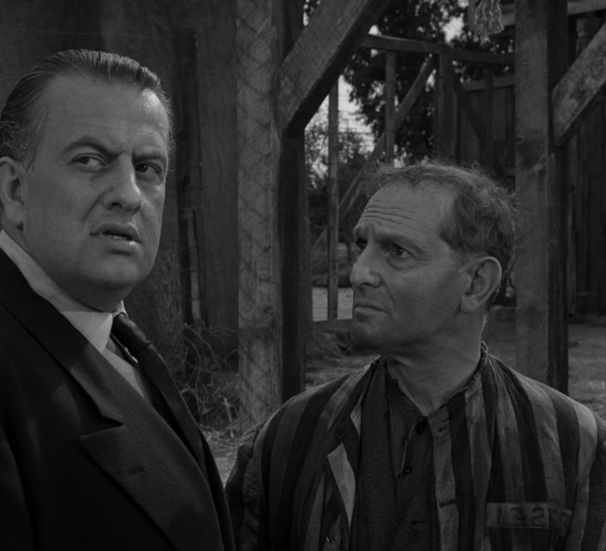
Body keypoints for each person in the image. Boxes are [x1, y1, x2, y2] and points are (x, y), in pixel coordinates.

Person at [0, 50, 233, 551]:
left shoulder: (110, 336)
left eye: (147, 167)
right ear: (15, 189)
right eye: (90, 160)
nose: (129, 194)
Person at [226, 161, 606, 550]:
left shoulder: (571, 445)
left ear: (476, 283)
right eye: (362, 245)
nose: (358, 273)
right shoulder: (288, 439)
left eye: (396, 251)